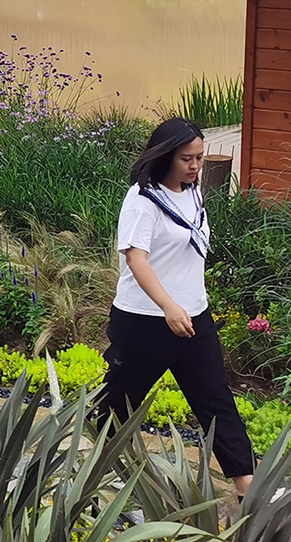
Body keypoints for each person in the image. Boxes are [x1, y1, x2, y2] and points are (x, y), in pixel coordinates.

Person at [99, 117, 254, 498]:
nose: (196, 165)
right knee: (118, 406)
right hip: (145, 322)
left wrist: (187, 303)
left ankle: (247, 488)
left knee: (216, 400)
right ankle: (92, 479)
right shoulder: (142, 201)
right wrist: (169, 306)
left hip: (193, 316)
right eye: (187, 158)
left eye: (200, 157)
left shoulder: (192, 192)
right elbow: (136, 259)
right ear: (166, 155)